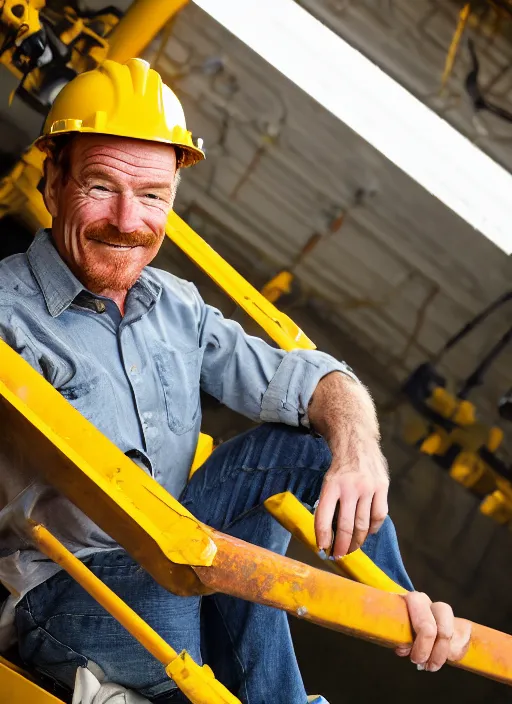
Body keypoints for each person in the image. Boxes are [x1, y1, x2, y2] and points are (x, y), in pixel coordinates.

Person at [0, 58, 470, 703]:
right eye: (100, 186)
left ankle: (403, 611)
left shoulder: (177, 307)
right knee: (212, 584)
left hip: (181, 567)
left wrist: (359, 456)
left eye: (153, 197)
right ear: (52, 183)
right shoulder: (5, 316)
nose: (127, 219)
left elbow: (315, 381)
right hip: (69, 598)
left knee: (308, 446)